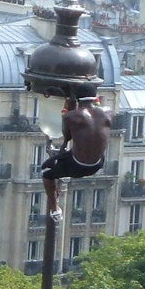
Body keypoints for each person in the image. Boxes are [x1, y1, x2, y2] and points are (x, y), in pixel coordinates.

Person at [40, 83, 112, 220]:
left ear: (77, 99)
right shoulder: (108, 111)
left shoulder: (71, 116)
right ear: (95, 98)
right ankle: (57, 192)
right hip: (98, 163)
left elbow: (67, 136)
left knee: (46, 171)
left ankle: (54, 208)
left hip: (77, 164)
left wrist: (67, 110)